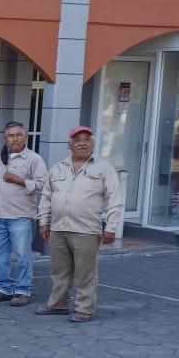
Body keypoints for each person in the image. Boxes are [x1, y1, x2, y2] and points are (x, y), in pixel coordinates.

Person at [36, 127, 123, 323]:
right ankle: (58, 304)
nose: (82, 143)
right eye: (77, 140)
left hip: (86, 230)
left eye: (86, 140)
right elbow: (46, 196)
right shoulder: (58, 167)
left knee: (85, 273)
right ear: (70, 145)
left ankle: (85, 309)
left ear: (92, 144)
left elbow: (114, 199)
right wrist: (43, 222)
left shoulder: (104, 168)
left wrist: (110, 227)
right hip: (58, 228)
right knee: (59, 271)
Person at [0, 121, 48, 307]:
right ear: (5, 139)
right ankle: (3, 288)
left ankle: (22, 290)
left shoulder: (34, 159)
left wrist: (19, 180)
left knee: (22, 256)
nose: (14, 138)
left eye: (18, 135)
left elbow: (44, 185)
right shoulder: (2, 158)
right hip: (0, 214)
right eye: (10, 136)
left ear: (25, 136)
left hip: (21, 216)